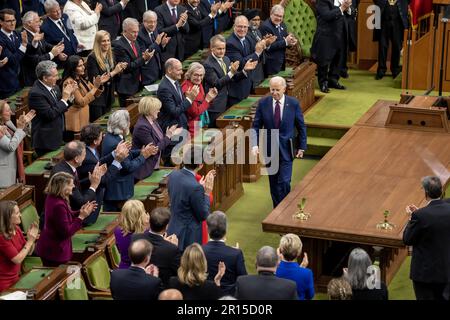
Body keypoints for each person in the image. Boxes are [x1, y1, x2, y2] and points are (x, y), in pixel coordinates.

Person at [251, 76, 307, 208]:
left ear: (284, 89)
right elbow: (256, 126)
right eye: (272, 90)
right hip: (270, 150)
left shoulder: (293, 103)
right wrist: (255, 144)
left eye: (277, 90)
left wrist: (302, 146)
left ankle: (285, 209)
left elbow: (301, 126)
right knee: (274, 184)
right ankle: (277, 211)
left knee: (285, 182)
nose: (274, 93)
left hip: (287, 149)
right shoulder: (263, 103)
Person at [403, 176, 450, 300]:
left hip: (425, 275)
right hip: (446, 271)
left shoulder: (420, 216)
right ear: (441, 190)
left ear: (426, 192)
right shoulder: (424, 215)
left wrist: (411, 219)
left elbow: (407, 239)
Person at [36, 172, 96, 266]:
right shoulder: (58, 204)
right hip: (55, 251)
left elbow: (65, 216)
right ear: (63, 186)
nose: (73, 186)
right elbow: (66, 232)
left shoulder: (53, 197)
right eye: (71, 184)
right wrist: (81, 217)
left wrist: (80, 211)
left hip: (49, 246)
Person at [101, 109, 157, 211]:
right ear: (123, 126)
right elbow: (129, 167)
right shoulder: (115, 143)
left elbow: (128, 155)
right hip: (118, 193)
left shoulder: (112, 137)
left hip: (117, 190)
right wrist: (143, 156)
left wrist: (141, 151)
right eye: (129, 121)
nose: (130, 123)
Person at [78, 124, 130, 225]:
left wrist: (114, 153)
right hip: (89, 205)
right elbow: (103, 181)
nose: (103, 137)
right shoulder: (87, 158)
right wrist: (117, 161)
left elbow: (99, 161)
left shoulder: (89, 150)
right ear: (95, 141)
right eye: (101, 135)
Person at [166, 144, 215, 251]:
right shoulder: (195, 187)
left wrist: (199, 190)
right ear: (200, 165)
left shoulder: (173, 175)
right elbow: (203, 215)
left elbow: (181, 197)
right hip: (187, 236)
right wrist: (206, 193)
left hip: (172, 227)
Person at [203, 34, 257, 126]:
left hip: (229, 101)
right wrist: (231, 72)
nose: (222, 51)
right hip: (216, 106)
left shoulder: (226, 59)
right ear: (211, 48)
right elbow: (217, 84)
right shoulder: (207, 64)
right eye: (219, 49)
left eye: (223, 48)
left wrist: (244, 70)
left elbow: (234, 77)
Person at [28, 60, 77, 157]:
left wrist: (70, 96)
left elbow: (61, 107)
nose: (58, 78)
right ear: (45, 78)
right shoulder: (36, 93)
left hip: (57, 135)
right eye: (54, 76)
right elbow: (50, 114)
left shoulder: (55, 87)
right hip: (45, 141)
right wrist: (64, 98)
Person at [157, 58, 198, 165]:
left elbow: (178, 104)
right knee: (172, 162)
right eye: (179, 70)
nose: (182, 72)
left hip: (181, 127)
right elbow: (174, 111)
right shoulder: (164, 88)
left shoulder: (175, 82)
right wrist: (189, 99)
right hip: (172, 130)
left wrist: (186, 98)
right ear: (170, 70)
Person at [132, 96, 182, 181]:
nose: (159, 111)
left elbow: (160, 139)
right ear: (150, 110)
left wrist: (170, 133)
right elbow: (154, 149)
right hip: (144, 169)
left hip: (154, 165)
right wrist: (169, 136)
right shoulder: (142, 126)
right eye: (157, 109)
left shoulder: (153, 121)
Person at [50, 140, 106, 213]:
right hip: (62, 217)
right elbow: (81, 202)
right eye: (84, 155)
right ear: (76, 159)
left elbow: (76, 186)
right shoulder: (66, 177)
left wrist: (91, 179)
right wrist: (94, 185)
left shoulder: (63, 165)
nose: (85, 157)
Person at [132, 207, 182, 287]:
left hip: (138, 284)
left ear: (150, 221)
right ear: (167, 226)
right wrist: (172, 246)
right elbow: (179, 271)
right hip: (161, 288)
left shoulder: (135, 238)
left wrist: (165, 243)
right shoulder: (172, 249)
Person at [202, 211, 247, 296]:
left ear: (207, 229)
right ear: (226, 230)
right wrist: (236, 253)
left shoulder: (199, 251)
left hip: (204, 295)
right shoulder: (235, 254)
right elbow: (243, 279)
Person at [86, 30, 128, 122]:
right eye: (103, 41)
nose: (107, 43)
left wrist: (120, 69)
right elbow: (97, 81)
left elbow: (115, 76)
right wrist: (114, 71)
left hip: (109, 95)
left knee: (107, 124)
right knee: (98, 125)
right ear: (98, 43)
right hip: (98, 99)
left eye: (108, 40)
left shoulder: (111, 55)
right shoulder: (92, 58)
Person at [61, 55, 109, 133]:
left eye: (83, 64)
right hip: (75, 121)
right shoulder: (69, 82)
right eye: (80, 66)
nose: (83, 67)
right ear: (72, 68)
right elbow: (82, 102)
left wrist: (99, 84)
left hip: (83, 119)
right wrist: (95, 87)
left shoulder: (81, 78)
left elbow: (95, 94)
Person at [113, 17, 154, 108]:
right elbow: (128, 67)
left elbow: (138, 60)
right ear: (125, 31)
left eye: (137, 31)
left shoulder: (135, 41)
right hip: (126, 87)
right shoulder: (119, 46)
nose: (136, 34)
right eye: (133, 32)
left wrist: (146, 58)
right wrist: (143, 59)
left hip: (137, 83)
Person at [311, 0, 351, 93]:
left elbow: (352, 13)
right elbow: (326, 15)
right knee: (324, 59)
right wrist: (342, 8)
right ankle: (323, 82)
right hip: (326, 35)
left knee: (339, 57)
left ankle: (333, 80)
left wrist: (348, 8)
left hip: (341, 33)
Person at [226, 15, 265, 107]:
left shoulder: (247, 38)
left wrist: (263, 46)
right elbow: (241, 63)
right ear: (234, 26)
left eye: (245, 27)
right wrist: (257, 53)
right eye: (239, 26)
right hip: (237, 89)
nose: (242, 29)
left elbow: (255, 57)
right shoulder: (230, 43)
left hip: (248, 83)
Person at [0, 200, 39, 292]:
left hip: (16, 278)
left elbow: (28, 252)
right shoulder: (2, 237)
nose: (20, 215)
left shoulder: (16, 229)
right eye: (17, 213)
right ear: (8, 217)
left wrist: (31, 239)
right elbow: (17, 259)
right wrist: (29, 242)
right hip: (4, 283)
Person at [21, 11, 66, 86]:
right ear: (29, 23)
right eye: (37, 21)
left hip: (44, 74)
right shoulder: (23, 36)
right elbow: (35, 60)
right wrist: (52, 54)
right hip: (33, 78)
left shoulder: (36, 31)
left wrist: (57, 50)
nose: (40, 23)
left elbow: (45, 45)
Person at [0, 101, 35, 188]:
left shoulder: (8, 123)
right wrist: (20, 128)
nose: (11, 113)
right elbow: (10, 146)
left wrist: (24, 124)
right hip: (4, 173)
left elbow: (19, 138)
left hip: (14, 167)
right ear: (0, 114)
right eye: (8, 111)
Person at [374, 0, 409, 80]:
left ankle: (395, 70)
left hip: (398, 21)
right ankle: (381, 70)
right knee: (382, 46)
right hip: (383, 20)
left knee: (397, 46)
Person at [182, 62, 218, 137]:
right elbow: (194, 112)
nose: (198, 78)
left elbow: (203, 104)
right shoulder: (187, 88)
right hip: (192, 129)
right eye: (196, 75)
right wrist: (207, 100)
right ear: (189, 74)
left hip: (201, 124)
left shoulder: (198, 84)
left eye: (201, 75)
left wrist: (210, 97)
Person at [259, 5, 297, 76]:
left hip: (281, 62)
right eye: (276, 15)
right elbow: (269, 47)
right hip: (270, 64)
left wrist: (291, 42)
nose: (279, 18)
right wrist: (286, 42)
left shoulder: (282, 24)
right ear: (271, 14)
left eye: (281, 16)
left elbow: (285, 40)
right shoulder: (265, 26)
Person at [275, 233, 314, 300]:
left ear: (280, 250)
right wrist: (301, 269)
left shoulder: (273, 270)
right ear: (299, 252)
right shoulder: (307, 273)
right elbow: (310, 295)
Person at [0, 8, 28, 99]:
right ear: (1, 22)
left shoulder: (16, 33)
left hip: (20, 80)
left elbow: (26, 50)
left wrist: (34, 42)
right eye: (8, 21)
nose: (12, 23)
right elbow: (12, 60)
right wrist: (23, 45)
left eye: (14, 20)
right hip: (7, 84)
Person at [137, 10, 170, 86]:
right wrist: (156, 43)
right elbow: (145, 54)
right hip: (147, 74)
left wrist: (162, 45)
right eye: (150, 22)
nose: (153, 24)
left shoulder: (155, 30)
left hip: (157, 70)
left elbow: (157, 50)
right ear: (144, 22)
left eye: (155, 22)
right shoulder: (139, 35)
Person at [114, 200, 150, 269]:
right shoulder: (147, 234)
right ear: (141, 216)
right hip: (143, 270)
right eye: (144, 212)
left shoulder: (118, 231)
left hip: (124, 269)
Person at [339, 0, 359, 79]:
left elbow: (355, 5)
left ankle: (342, 69)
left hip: (348, 18)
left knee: (344, 46)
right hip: (333, 16)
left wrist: (349, 8)